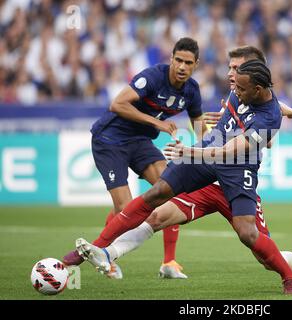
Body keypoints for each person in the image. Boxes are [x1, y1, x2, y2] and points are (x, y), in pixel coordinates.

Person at [79, 46, 292, 289]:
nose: (230, 74)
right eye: (230, 67)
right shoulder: (242, 90)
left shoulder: (264, 115)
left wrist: (191, 151)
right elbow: (270, 106)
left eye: (236, 68)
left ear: (255, 80)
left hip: (235, 175)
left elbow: (234, 147)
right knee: (156, 211)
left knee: (261, 251)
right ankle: (105, 252)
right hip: (208, 179)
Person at [62, 37, 207, 279]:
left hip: (140, 142)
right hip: (110, 140)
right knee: (126, 210)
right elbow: (117, 104)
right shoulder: (152, 77)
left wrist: (207, 150)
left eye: (188, 62)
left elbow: (198, 122)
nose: (182, 66)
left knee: (172, 189)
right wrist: (157, 123)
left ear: (196, 64)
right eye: (178, 60)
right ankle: (106, 257)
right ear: (171, 59)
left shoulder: (192, 90)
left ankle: (169, 262)